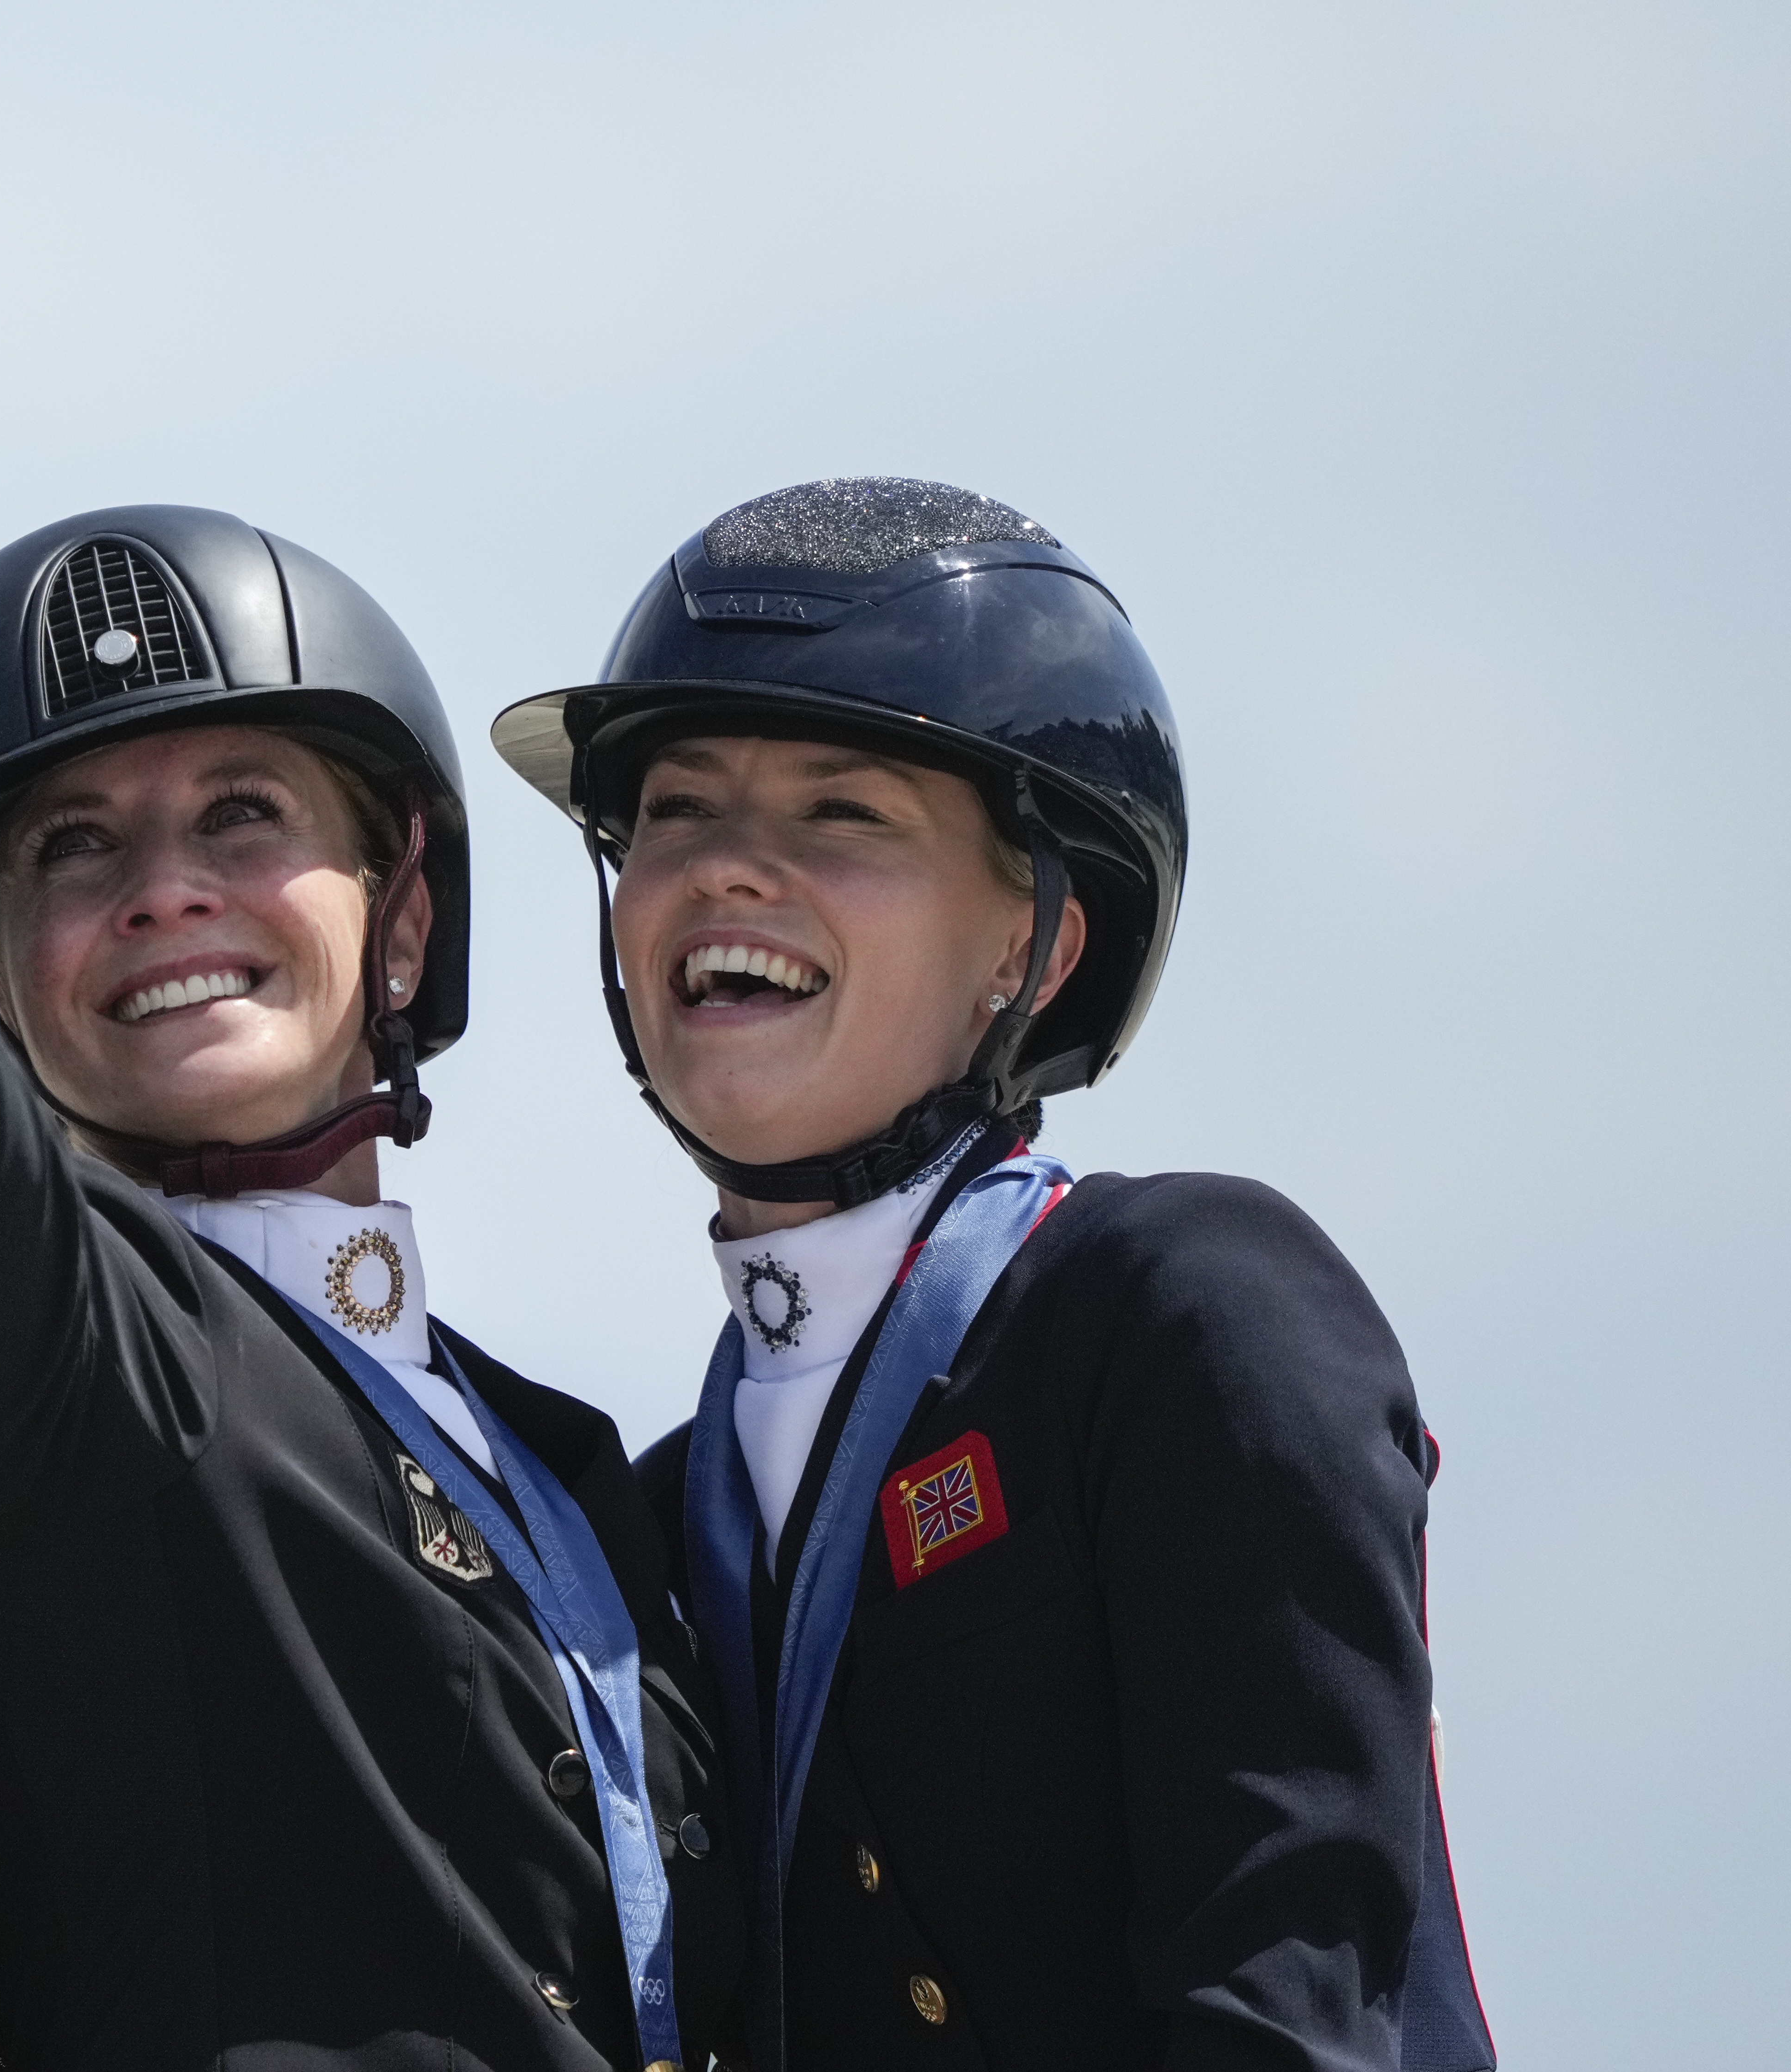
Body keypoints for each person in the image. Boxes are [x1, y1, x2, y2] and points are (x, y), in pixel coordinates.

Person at [0, 280, 743, 2070]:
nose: (162, 891)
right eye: (71, 848)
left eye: (242, 816)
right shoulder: (53, 1346)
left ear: (405, 909)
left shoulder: (576, 1476)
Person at [487, 477, 1495, 2071]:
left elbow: (1284, 2014)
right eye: (677, 809)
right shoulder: (662, 1515)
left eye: (844, 813)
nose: (729, 871)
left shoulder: (1182, 1308)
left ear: (1035, 949)